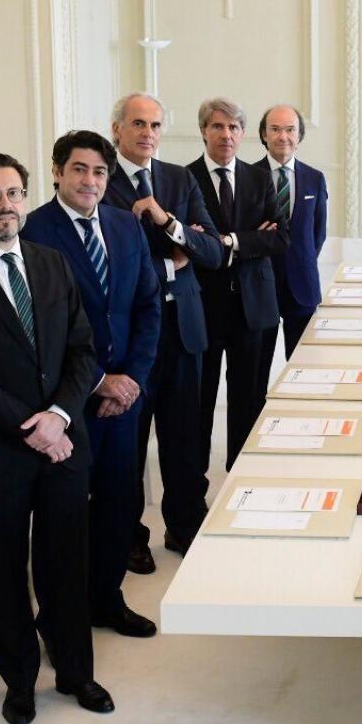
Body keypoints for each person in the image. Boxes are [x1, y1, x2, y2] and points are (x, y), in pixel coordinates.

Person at [0, 153, 115, 724]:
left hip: (65, 442)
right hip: (1, 450)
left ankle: (74, 671)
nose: (5, 205)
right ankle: (19, 680)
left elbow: (84, 350)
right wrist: (33, 427)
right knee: (7, 567)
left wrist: (60, 418)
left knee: (66, 559)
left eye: (13, 193)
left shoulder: (51, 263)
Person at [21, 130, 162, 638]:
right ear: (57, 171)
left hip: (123, 401)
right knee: (64, 515)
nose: (90, 180)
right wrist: (99, 381)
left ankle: (107, 598)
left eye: (99, 171)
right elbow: (36, 328)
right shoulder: (34, 230)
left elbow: (147, 306)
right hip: (67, 402)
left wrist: (132, 381)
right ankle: (60, 614)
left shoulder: (126, 226)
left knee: (119, 501)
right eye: (79, 169)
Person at [102, 92, 227, 564]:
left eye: (155, 125)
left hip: (184, 327)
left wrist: (168, 221)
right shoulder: (103, 183)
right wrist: (175, 263)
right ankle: (129, 534)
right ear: (118, 129)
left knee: (186, 435)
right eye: (137, 124)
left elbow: (214, 252)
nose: (147, 134)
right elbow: (113, 269)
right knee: (129, 441)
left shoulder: (178, 178)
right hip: (132, 336)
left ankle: (184, 524)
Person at [187, 97, 290, 470]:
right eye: (217, 126)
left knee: (249, 399)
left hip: (254, 307)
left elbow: (280, 238)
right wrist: (249, 238)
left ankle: (241, 475)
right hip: (204, 308)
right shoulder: (184, 179)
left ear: (244, 134)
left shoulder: (261, 178)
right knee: (199, 401)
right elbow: (186, 241)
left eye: (233, 128)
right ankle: (195, 485)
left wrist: (228, 241)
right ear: (203, 131)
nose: (226, 135)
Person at [258, 104, 330, 358]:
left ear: (299, 136)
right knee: (255, 366)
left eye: (290, 129)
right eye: (275, 129)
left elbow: (318, 233)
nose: (283, 136)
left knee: (303, 361)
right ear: (264, 135)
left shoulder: (315, 178)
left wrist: (301, 259)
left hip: (303, 283)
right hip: (260, 284)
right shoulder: (248, 177)